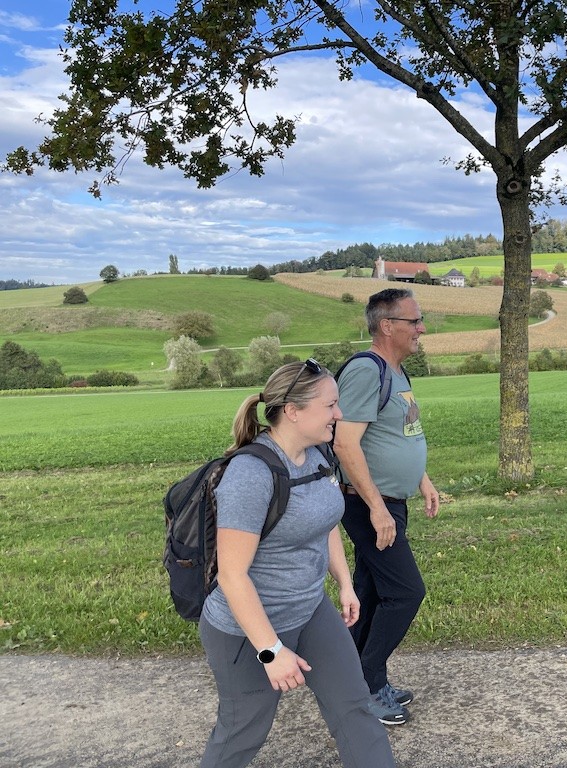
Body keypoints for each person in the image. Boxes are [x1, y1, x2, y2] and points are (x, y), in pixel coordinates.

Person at [198, 359, 396, 768]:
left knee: (356, 709)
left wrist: (343, 582)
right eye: (330, 406)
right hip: (247, 628)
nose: (339, 414)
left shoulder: (317, 455)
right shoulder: (251, 474)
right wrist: (271, 651)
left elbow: (325, 521)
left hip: (310, 610)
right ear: (293, 411)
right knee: (242, 732)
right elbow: (232, 577)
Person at [333, 288, 440, 726]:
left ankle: (349, 680)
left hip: (391, 500)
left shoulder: (398, 374)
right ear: (387, 326)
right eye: (414, 321)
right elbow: (345, 442)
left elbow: (402, 435)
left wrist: (423, 478)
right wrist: (377, 507)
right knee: (406, 592)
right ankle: (368, 681)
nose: (422, 328)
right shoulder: (366, 370)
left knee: (371, 592)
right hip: (368, 505)